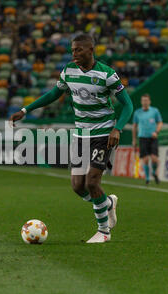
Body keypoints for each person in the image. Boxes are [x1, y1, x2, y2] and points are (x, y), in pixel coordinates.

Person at [10, 34, 134, 244]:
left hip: (102, 133)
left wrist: (118, 129)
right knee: (78, 186)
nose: (74, 54)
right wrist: (25, 109)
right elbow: (52, 94)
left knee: (92, 181)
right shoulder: (68, 71)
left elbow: (128, 105)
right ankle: (108, 205)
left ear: (90, 50)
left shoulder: (107, 74)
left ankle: (103, 231)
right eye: (73, 50)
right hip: (80, 134)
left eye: (78, 50)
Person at [132, 93, 163, 185]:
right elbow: (134, 127)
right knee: (145, 159)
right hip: (142, 138)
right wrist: (134, 140)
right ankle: (148, 178)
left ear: (149, 101)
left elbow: (160, 122)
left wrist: (156, 132)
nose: (145, 102)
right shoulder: (137, 113)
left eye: (146, 100)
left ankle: (154, 172)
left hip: (153, 138)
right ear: (141, 102)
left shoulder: (155, 111)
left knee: (154, 158)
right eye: (143, 100)